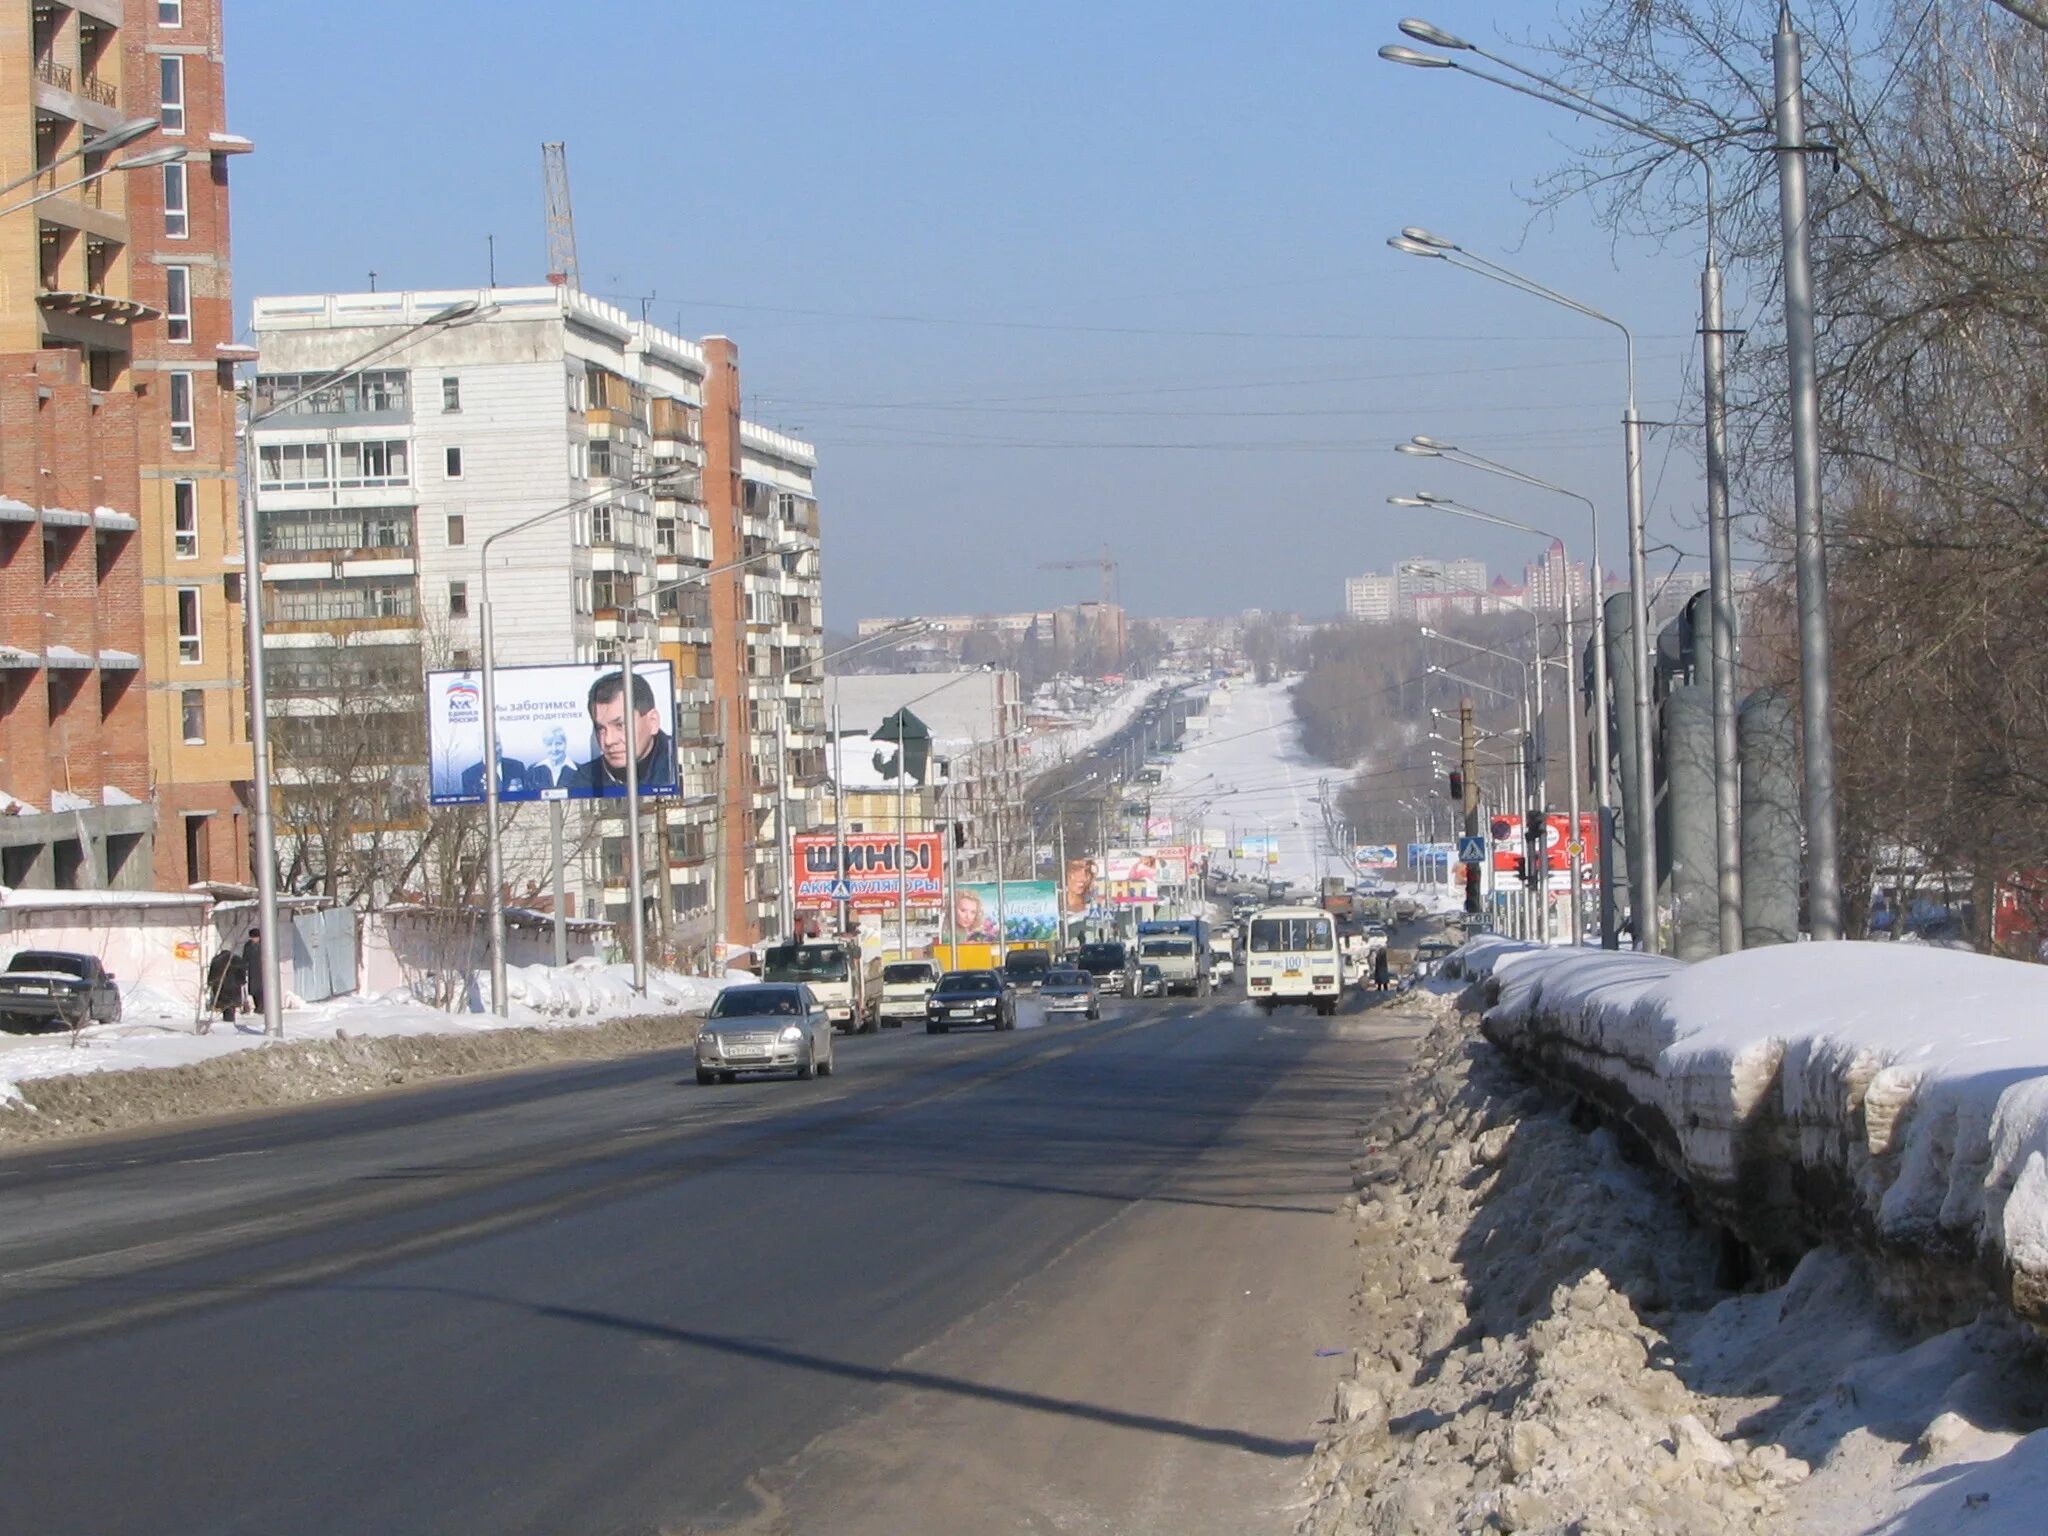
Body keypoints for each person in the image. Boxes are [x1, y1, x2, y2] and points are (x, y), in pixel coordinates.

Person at [577, 670, 675, 793]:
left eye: (620, 725)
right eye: (601, 729)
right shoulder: (582, 780)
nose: (608, 740)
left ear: (653, 722)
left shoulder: (678, 767)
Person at [460, 737, 528, 796]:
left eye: (497, 744)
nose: (494, 749)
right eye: (489, 745)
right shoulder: (469, 775)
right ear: (480, 748)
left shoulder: (517, 767)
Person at [203, 945, 246, 1030]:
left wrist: (210, 983)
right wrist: (241, 982)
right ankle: (230, 1022)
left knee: (224, 1004)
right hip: (234, 987)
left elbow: (212, 973)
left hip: (220, 986)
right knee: (231, 1005)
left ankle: (227, 1021)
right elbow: (241, 974)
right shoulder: (237, 959)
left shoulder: (216, 960)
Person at [527, 725, 577, 790]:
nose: (554, 749)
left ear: (565, 744)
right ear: (544, 746)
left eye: (558, 744)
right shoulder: (533, 770)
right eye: (549, 744)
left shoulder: (580, 771)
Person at [241, 927, 265, 1017]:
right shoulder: (248, 946)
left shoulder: (264, 944)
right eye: (251, 937)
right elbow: (245, 958)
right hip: (252, 969)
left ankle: (262, 1007)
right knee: (254, 989)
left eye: (254, 937)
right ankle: (257, 1006)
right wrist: (244, 967)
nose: (252, 939)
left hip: (262, 970)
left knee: (262, 989)